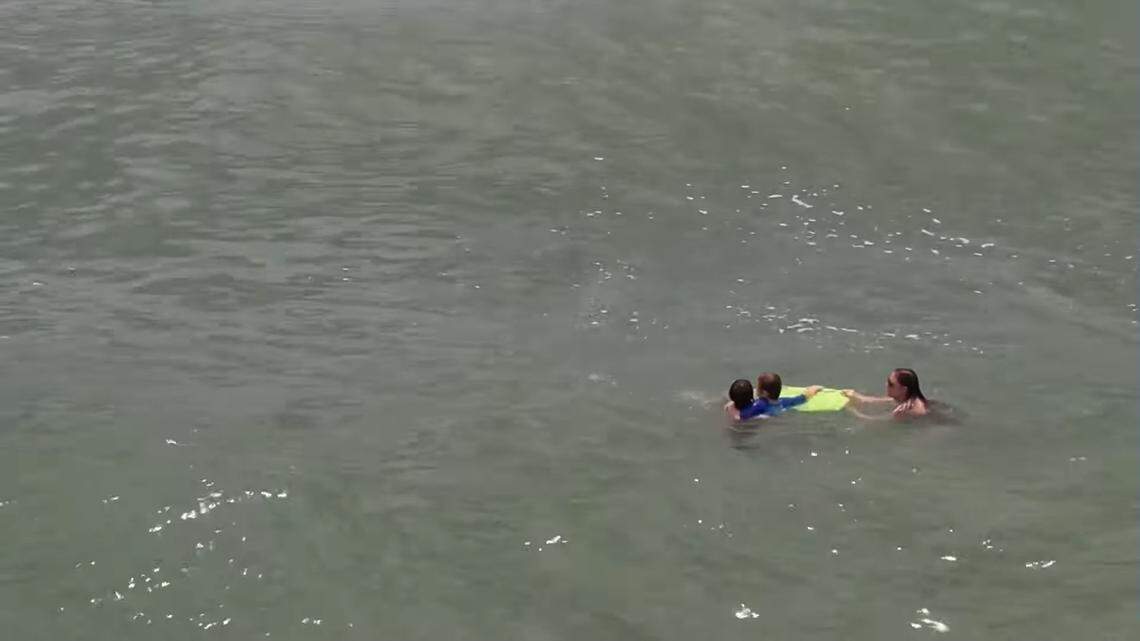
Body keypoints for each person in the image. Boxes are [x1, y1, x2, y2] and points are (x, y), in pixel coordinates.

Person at [725, 373, 822, 422]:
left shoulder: (759, 405)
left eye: (758, 387)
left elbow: (740, 416)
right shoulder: (785, 402)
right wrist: (814, 389)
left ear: (764, 393)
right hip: (777, 413)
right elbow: (803, 398)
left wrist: (730, 407)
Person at [842, 368, 929, 420]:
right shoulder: (905, 398)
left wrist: (852, 411)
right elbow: (879, 401)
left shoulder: (905, 411)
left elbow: (877, 423)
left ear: (903, 389)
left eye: (891, 384)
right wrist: (856, 396)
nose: (886, 385)